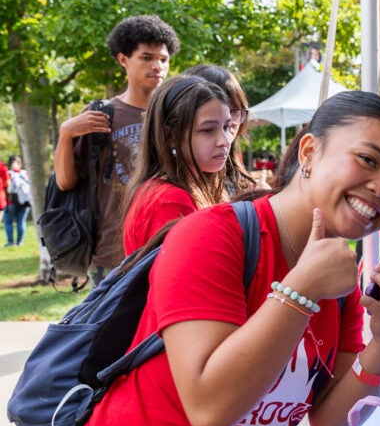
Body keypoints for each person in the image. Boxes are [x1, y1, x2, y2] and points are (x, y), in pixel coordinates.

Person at [67, 91, 380, 426]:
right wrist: (300, 292)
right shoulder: (213, 234)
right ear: (309, 153)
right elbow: (210, 410)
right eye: (367, 160)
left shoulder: (337, 283)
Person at [52, 14, 181, 283]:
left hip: (169, 246)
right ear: (123, 59)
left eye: (163, 59)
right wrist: (65, 134)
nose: (157, 66)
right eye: (146, 58)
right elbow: (65, 183)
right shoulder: (101, 115)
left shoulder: (177, 115)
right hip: (112, 255)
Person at [121, 76, 234, 255]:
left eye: (227, 127)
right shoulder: (170, 201)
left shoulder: (184, 187)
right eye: (207, 130)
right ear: (171, 136)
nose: (224, 141)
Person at [183, 64, 265, 194]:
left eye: (234, 111)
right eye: (208, 129)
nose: (225, 139)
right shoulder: (173, 194)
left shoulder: (232, 174)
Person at [4, 156, 31, 247]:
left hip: (11, 201)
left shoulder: (8, 174)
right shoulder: (26, 174)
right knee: (21, 222)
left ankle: (10, 242)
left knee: (8, 222)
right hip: (25, 202)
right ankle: (20, 242)